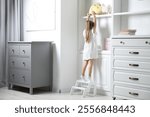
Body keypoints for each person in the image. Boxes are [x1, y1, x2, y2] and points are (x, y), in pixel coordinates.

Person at [81, 11, 98, 83]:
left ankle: (82, 75)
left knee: (85, 62)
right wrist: (94, 16)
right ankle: (89, 76)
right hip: (91, 50)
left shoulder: (84, 31)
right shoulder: (92, 32)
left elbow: (87, 22)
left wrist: (88, 16)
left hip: (86, 50)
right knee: (90, 63)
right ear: (92, 26)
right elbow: (95, 24)